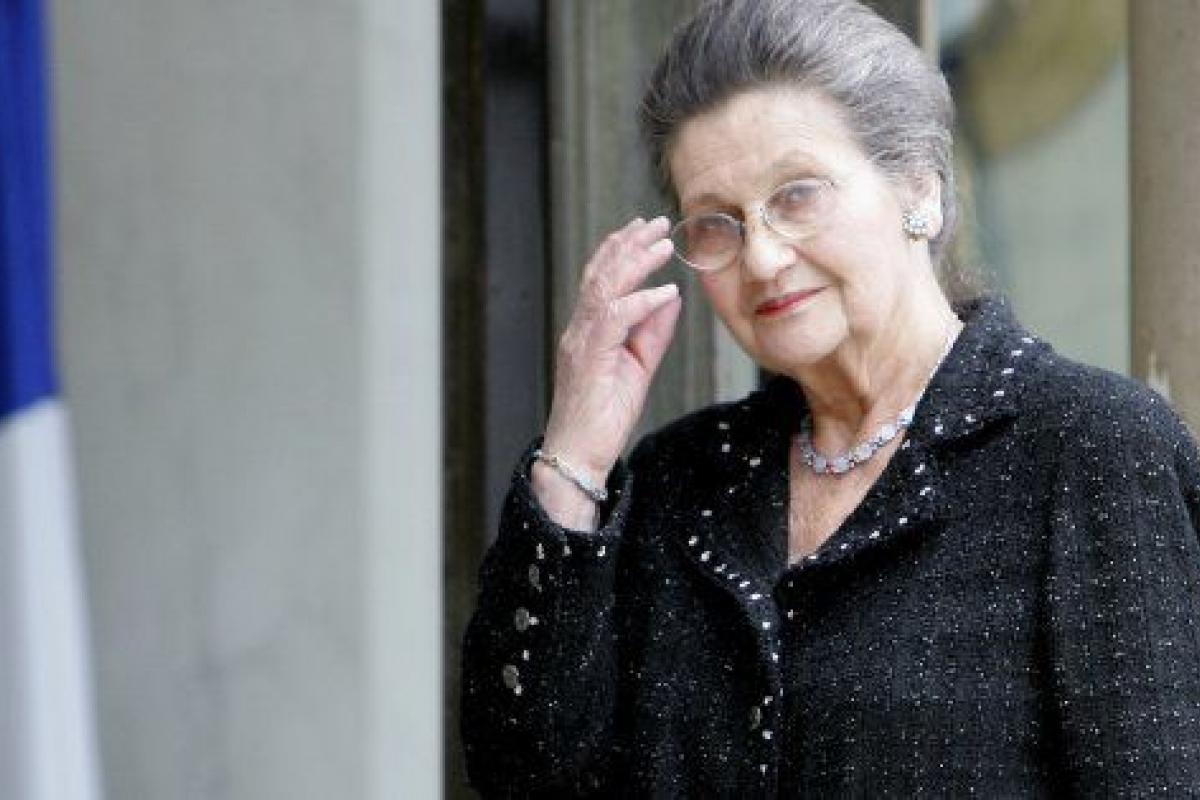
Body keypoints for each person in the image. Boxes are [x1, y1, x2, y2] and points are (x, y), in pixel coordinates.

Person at [461, 0, 1200, 795]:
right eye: (717, 223)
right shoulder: (680, 481)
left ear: (919, 188)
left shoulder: (1089, 446)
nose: (762, 258)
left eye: (797, 195)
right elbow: (521, 773)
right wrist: (573, 457)